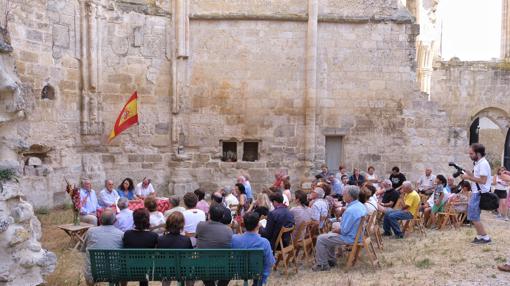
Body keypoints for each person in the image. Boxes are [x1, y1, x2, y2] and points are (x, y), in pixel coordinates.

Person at [312, 185, 367, 271]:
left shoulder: (350, 210)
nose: (343, 195)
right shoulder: (360, 205)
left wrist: (336, 230)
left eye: (344, 194)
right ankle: (331, 260)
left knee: (321, 238)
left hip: (350, 237)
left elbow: (344, 231)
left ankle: (322, 265)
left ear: (349, 195)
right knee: (330, 235)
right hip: (358, 235)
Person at [82, 208, 123, 286]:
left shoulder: (91, 231)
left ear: (100, 220)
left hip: (92, 273)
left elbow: (84, 249)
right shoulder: (121, 234)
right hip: (114, 272)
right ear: (114, 221)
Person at [232, 212, 275, 286]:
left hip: (238, 271)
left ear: (244, 224)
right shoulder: (264, 242)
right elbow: (270, 262)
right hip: (257, 272)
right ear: (258, 225)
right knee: (263, 266)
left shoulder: (234, 239)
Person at [461, 143, 492, 244]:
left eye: (471, 153)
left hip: (479, 193)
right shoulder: (479, 163)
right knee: (473, 216)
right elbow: (477, 178)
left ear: (478, 153)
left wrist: (468, 177)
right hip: (476, 192)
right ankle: (479, 236)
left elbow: (483, 181)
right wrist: (469, 173)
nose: (470, 155)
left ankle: (485, 237)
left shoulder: (482, 164)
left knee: (474, 216)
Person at [196, 204, 233, 286]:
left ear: (209, 215)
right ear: (222, 216)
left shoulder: (201, 225)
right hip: (223, 267)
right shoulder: (228, 230)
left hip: (204, 267)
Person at [123, 208, 158, 286]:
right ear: (147, 220)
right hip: (147, 269)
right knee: (144, 264)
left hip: (129, 267)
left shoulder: (127, 234)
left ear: (134, 220)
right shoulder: (153, 236)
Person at [158, 212, 193, 286]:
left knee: (166, 270)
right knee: (189, 270)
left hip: (166, 270)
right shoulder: (186, 240)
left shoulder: (160, 239)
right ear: (182, 225)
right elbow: (190, 254)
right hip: (183, 270)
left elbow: (159, 256)